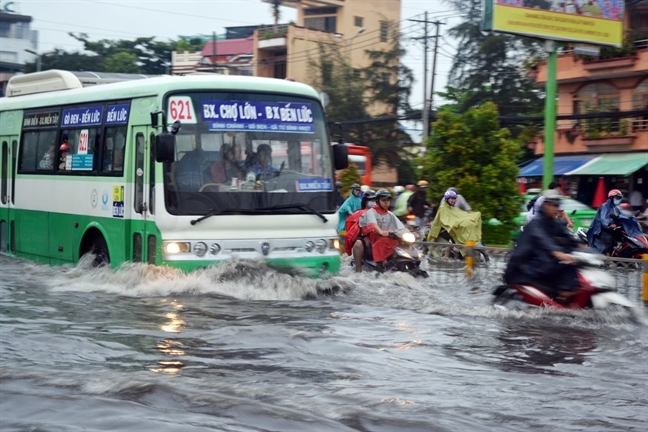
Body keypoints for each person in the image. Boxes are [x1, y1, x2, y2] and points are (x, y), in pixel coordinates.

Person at [504, 189, 580, 300]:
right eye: (552, 205)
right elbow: (543, 239)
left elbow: (568, 235)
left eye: (557, 205)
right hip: (525, 268)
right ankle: (563, 292)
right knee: (564, 264)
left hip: (542, 262)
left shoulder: (554, 222)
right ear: (545, 205)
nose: (556, 208)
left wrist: (584, 247)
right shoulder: (536, 222)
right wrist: (557, 252)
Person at [354, 189, 405, 272]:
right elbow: (372, 224)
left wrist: (411, 233)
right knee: (360, 243)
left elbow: (400, 227)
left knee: (398, 242)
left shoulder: (390, 214)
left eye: (388, 200)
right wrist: (380, 231)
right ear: (377, 201)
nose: (386, 202)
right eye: (384, 200)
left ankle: (397, 263)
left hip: (386, 236)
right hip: (372, 237)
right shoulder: (371, 212)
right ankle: (361, 267)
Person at [428, 190, 483, 259]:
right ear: (447, 199)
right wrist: (455, 223)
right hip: (446, 229)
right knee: (453, 238)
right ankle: (446, 256)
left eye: (454, 198)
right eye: (452, 198)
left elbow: (461, 216)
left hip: (455, 227)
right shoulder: (442, 209)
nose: (453, 200)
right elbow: (445, 220)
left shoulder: (454, 208)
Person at [586, 189, 642, 255]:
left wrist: (633, 221)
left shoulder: (615, 208)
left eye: (619, 198)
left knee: (622, 236)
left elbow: (623, 217)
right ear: (611, 198)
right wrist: (609, 223)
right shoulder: (604, 206)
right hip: (602, 229)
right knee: (608, 238)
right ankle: (608, 259)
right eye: (617, 198)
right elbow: (604, 218)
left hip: (612, 229)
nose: (618, 200)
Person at [344, 190, 377, 258]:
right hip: (363, 238)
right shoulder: (358, 213)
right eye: (371, 200)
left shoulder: (381, 212)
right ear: (365, 201)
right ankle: (358, 267)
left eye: (374, 200)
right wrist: (364, 236)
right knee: (358, 243)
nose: (373, 202)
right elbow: (353, 230)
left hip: (378, 236)